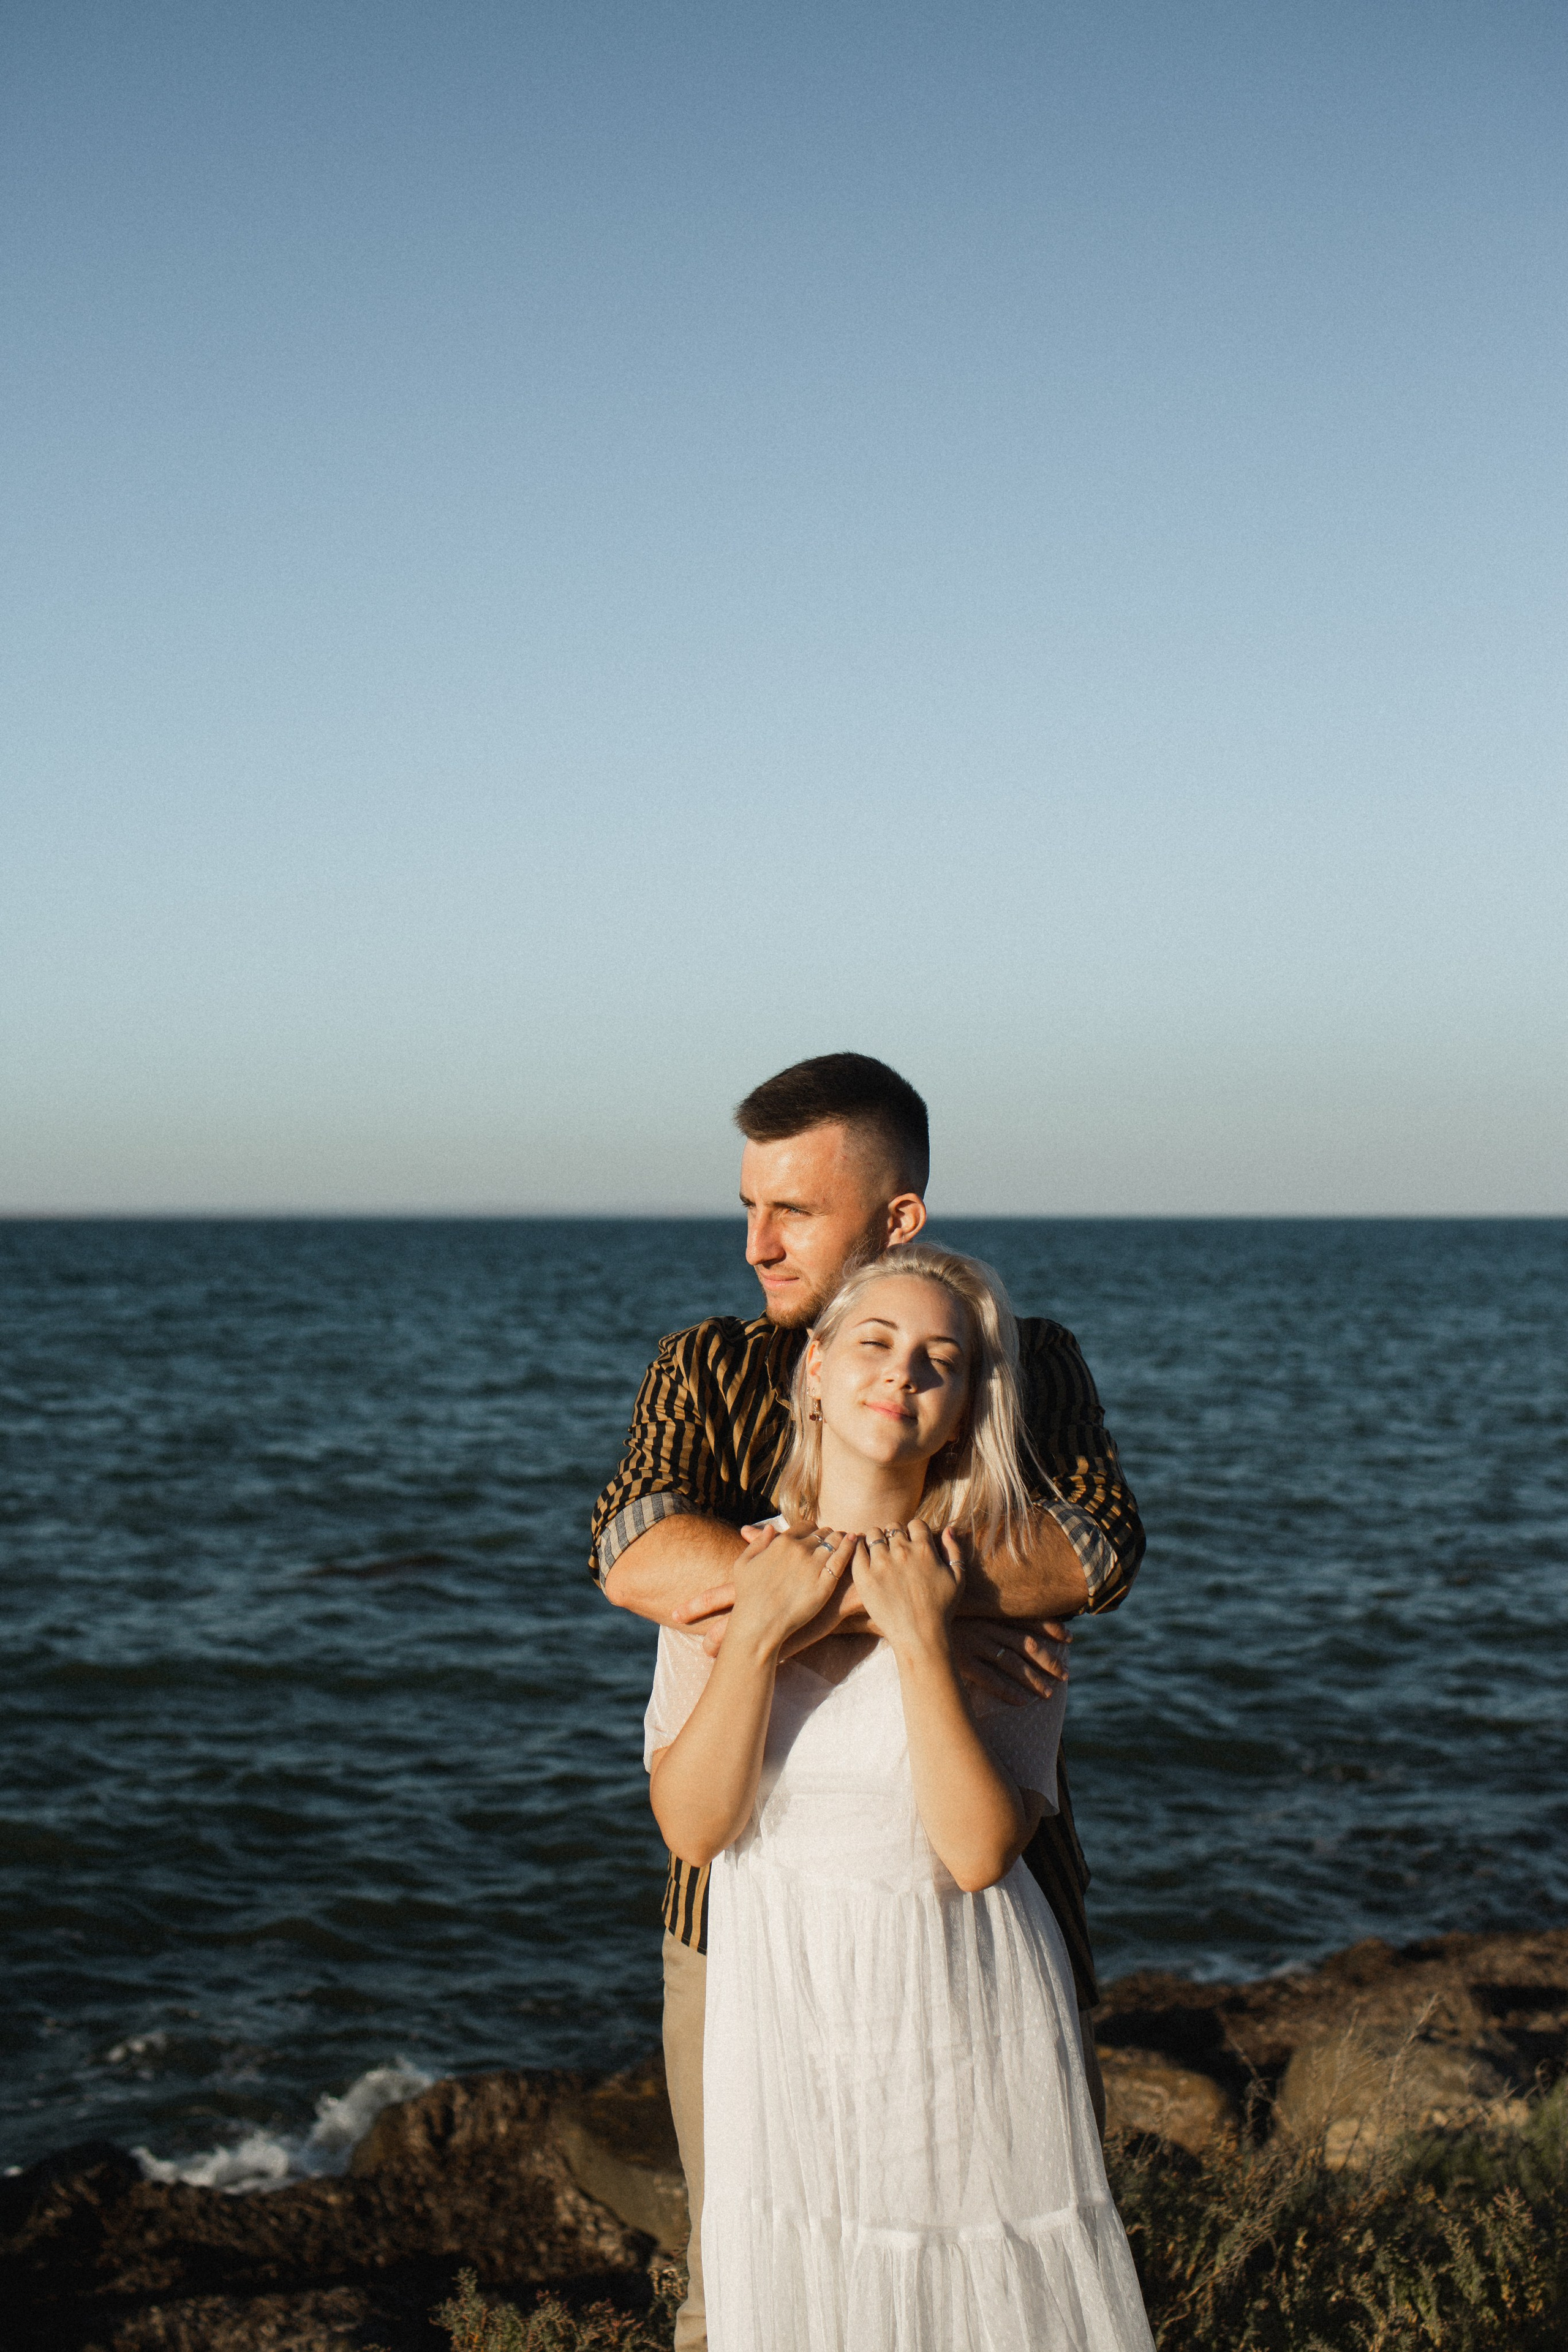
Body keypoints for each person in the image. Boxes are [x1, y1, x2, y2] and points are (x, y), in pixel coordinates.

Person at [594, 1054, 1144, 2350]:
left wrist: (813, 1595)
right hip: (740, 1923)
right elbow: (634, 1554)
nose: (754, 1245)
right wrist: (888, 1600)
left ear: (896, 1217)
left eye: (790, 1211)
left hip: (973, 1916)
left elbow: (1092, 1553)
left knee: (981, 2279)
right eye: (746, 1207)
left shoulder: (1024, 1356)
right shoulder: (707, 1366)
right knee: (750, 2283)